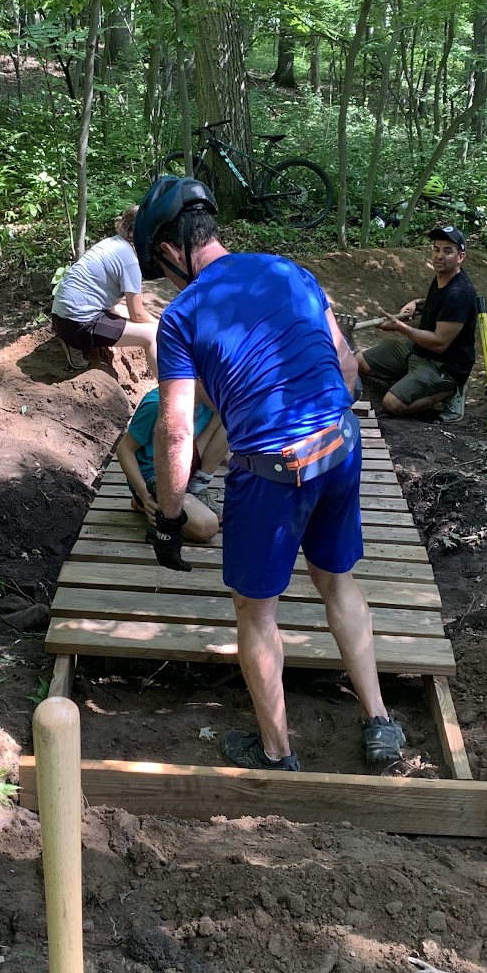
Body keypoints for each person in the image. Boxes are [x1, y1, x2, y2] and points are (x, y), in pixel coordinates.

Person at [135, 176, 406, 771]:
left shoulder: (181, 316)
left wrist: (169, 520)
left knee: (256, 611)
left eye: (163, 269)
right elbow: (345, 366)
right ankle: (380, 722)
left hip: (273, 472)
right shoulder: (288, 271)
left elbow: (174, 432)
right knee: (337, 580)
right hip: (341, 443)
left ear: (171, 251)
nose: (169, 281)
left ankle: (276, 752)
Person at [356, 225, 478, 420]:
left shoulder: (459, 294)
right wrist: (416, 303)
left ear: (460, 257)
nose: (439, 256)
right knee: (359, 362)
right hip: (418, 351)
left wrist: (400, 327)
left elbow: (439, 343)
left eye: (447, 251)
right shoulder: (443, 278)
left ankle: (450, 392)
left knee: (392, 404)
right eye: (436, 249)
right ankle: (412, 383)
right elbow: (438, 304)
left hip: (443, 366)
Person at [50, 206, 158, 376]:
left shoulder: (111, 243)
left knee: (123, 311)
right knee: (152, 334)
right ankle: (168, 390)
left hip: (60, 318)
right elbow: (137, 314)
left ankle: (72, 342)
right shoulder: (130, 261)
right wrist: (164, 328)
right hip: (78, 326)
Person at [115, 383, 228, 544]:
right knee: (207, 527)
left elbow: (219, 446)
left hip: (182, 463)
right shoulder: (157, 404)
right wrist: (144, 494)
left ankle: (196, 488)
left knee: (231, 414)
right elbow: (124, 449)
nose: (225, 393)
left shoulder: (212, 401)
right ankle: (152, 506)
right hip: (156, 477)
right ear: (200, 378)